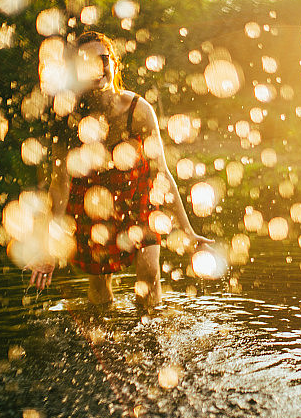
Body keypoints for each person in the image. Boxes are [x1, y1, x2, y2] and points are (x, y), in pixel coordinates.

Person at [28, 31, 212, 308]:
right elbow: (60, 184)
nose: (98, 66)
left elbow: (160, 173)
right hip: (92, 202)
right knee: (99, 286)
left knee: (149, 275)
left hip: (138, 197)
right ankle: (105, 337)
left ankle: (152, 337)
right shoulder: (68, 117)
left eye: (104, 59)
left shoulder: (139, 110)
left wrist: (188, 232)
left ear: (114, 64)